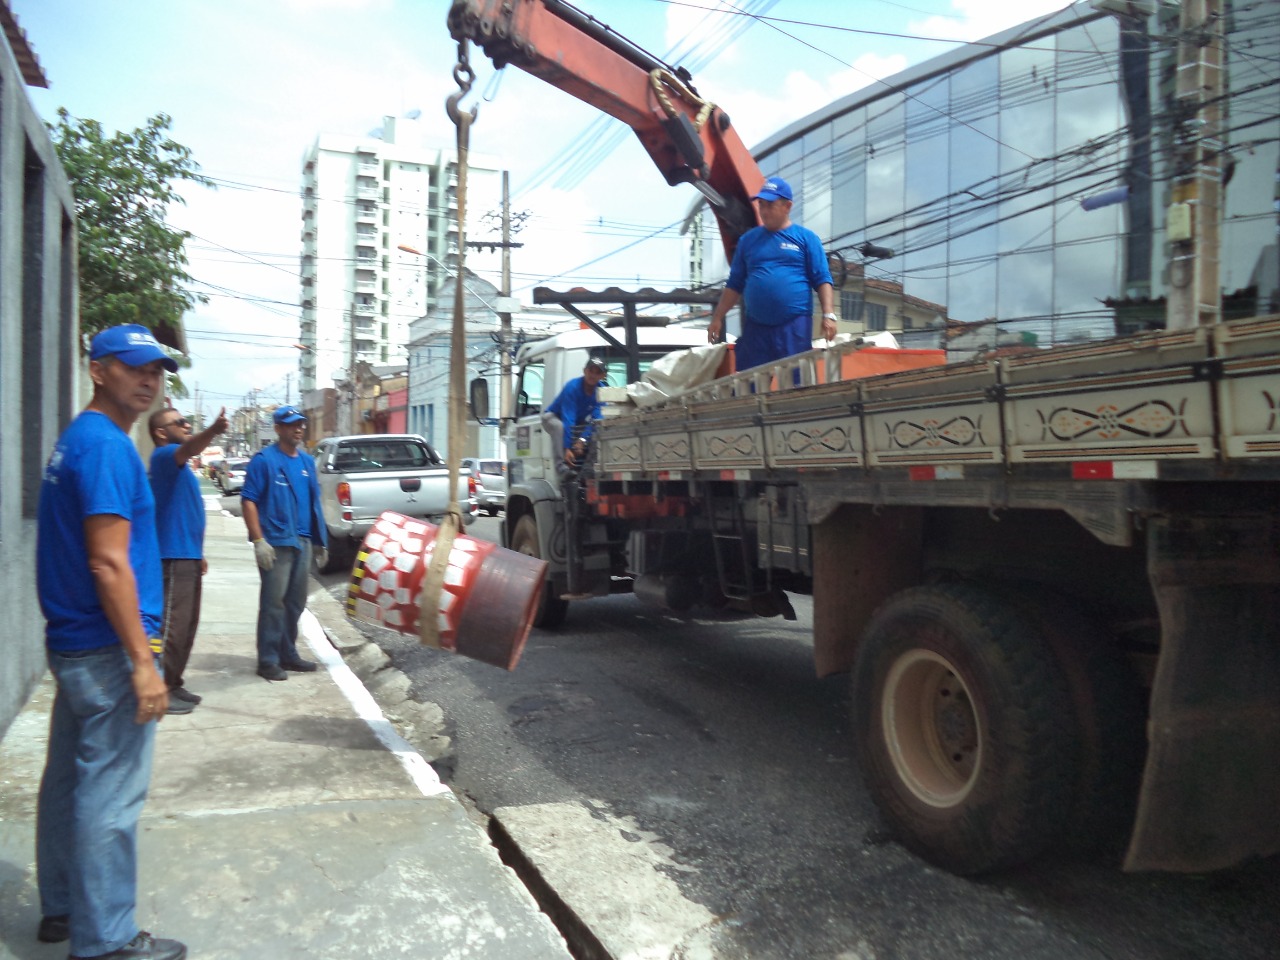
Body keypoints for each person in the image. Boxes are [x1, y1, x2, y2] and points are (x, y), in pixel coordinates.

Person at [35, 323, 187, 960]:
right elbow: (108, 563)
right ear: (99, 370)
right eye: (134, 367)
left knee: (69, 782)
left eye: (156, 369)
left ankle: (64, 908)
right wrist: (143, 663)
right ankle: (105, 941)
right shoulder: (106, 448)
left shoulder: (81, 440)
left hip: (75, 643)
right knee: (111, 795)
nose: (149, 379)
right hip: (106, 649)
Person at [147, 405, 230, 714]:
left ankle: (174, 682)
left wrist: (199, 553)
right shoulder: (163, 456)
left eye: (185, 421)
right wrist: (212, 431)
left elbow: (185, 514)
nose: (185, 425)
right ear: (160, 432)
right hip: (172, 557)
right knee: (171, 626)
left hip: (188, 555)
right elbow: (188, 448)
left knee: (187, 626)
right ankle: (160, 687)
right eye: (178, 422)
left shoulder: (179, 467)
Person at [706, 176, 837, 371]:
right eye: (761, 204)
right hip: (756, 327)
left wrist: (829, 315)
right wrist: (717, 318)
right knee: (749, 383)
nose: (764, 211)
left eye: (770, 205)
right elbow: (735, 284)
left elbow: (822, 279)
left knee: (796, 383)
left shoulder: (806, 239)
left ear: (787, 206)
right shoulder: (748, 241)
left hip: (794, 325)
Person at [240, 405, 328, 682]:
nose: (298, 428)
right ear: (278, 429)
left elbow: (313, 503)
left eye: (301, 424)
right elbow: (249, 501)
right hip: (276, 542)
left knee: (295, 602)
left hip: (302, 540)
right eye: (291, 424)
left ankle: (287, 653)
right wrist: (258, 540)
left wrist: (319, 539)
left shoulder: (305, 463)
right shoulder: (264, 461)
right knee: (273, 603)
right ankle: (267, 660)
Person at [542, 356, 607, 474]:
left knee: (598, 428)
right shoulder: (572, 387)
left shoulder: (602, 391)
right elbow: (568, 418)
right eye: (590, 371)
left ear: (603, 376)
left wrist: (582, 440)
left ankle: (588, 468)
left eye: (597, 372)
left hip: (577, 420)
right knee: (559, 426)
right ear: (584, 371)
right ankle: (561, 467)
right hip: (554, 416)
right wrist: (567, 447)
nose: (593, 375)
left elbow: (597, 418)